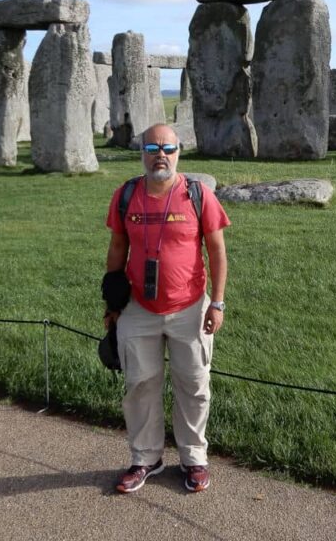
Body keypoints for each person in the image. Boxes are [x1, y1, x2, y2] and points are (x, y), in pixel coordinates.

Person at [104, 123, 230, 494]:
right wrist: (112, 305)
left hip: (190, 305)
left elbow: (217, 250)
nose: (161, 154)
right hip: (138, 307)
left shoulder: (198, 194)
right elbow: (116, 249)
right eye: (153, 147)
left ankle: (193, 458)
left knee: (193, 385)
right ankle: (146, 458)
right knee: (140, 384)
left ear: (179, 153)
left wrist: (217, 303)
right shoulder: (126, 195)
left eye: (169, 148)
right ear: (141, 152)